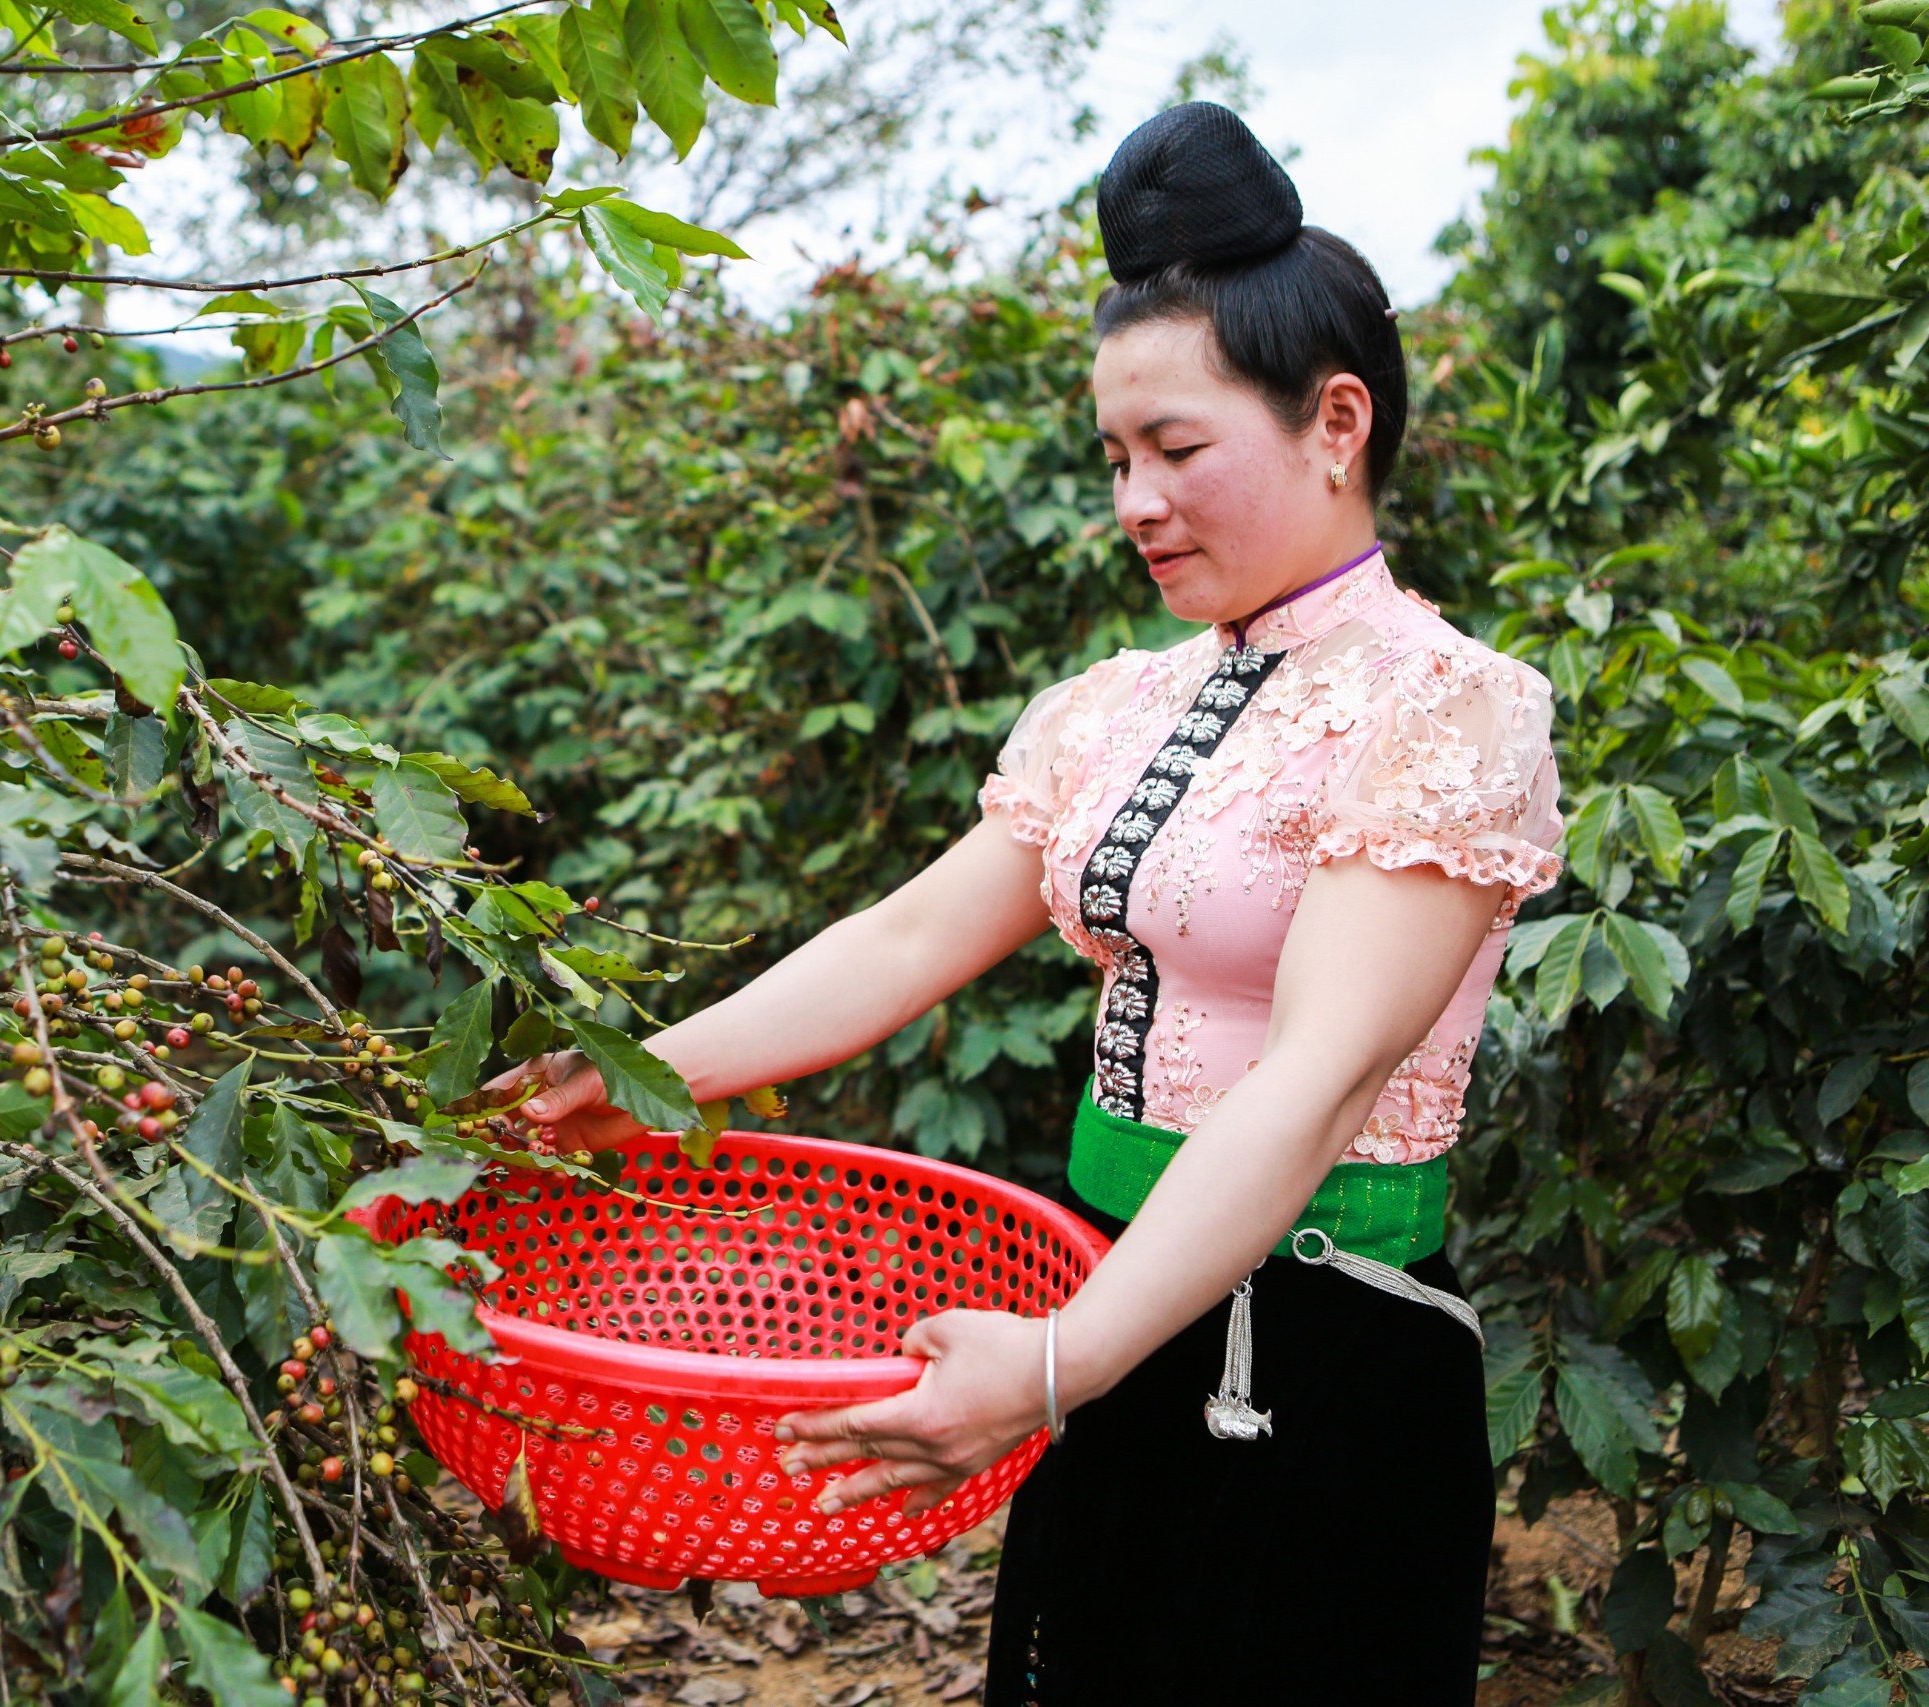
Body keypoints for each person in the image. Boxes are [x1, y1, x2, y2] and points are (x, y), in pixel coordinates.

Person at [483, 100, 1565, 1705]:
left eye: (1181, 450)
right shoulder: (1110, 707)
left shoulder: (1447, 709)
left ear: (1338, 423)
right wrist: (633, 1083)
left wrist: (1062, 1361)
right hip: (1097, 1291)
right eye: (1118, 456)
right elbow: (909, 938)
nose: (1136, 501)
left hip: (1322, 1351)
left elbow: (1320, 1075)